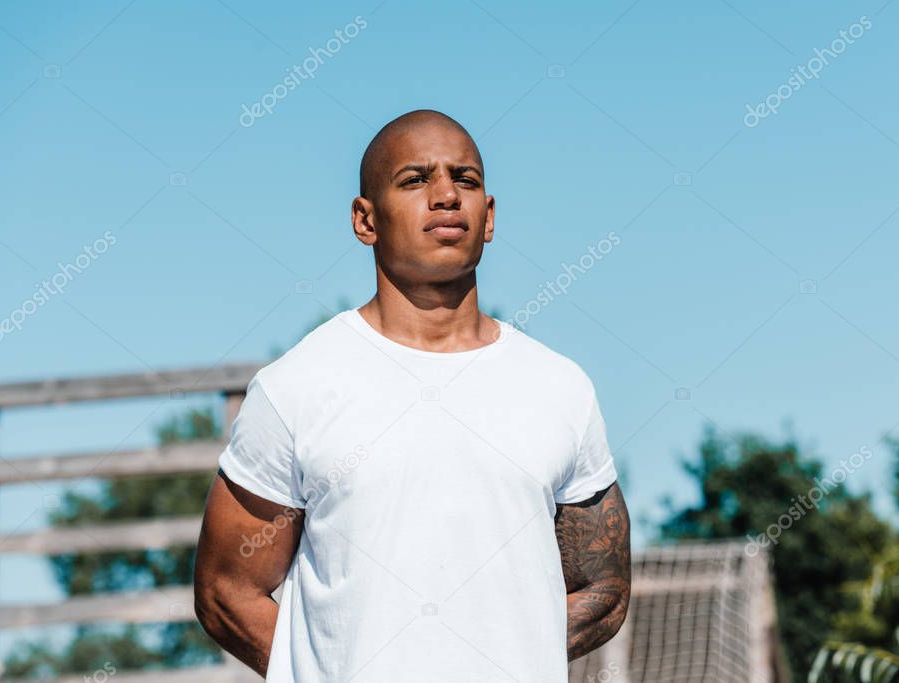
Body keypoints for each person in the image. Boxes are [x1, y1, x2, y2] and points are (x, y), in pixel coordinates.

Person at [193, 109, 631, 682]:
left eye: (465, 180)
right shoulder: (296, 387)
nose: (446, 195)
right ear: (365, 220)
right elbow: (226, 591)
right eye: (415, 179)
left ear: (489, 217)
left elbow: (606, 588)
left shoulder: (559, 386)